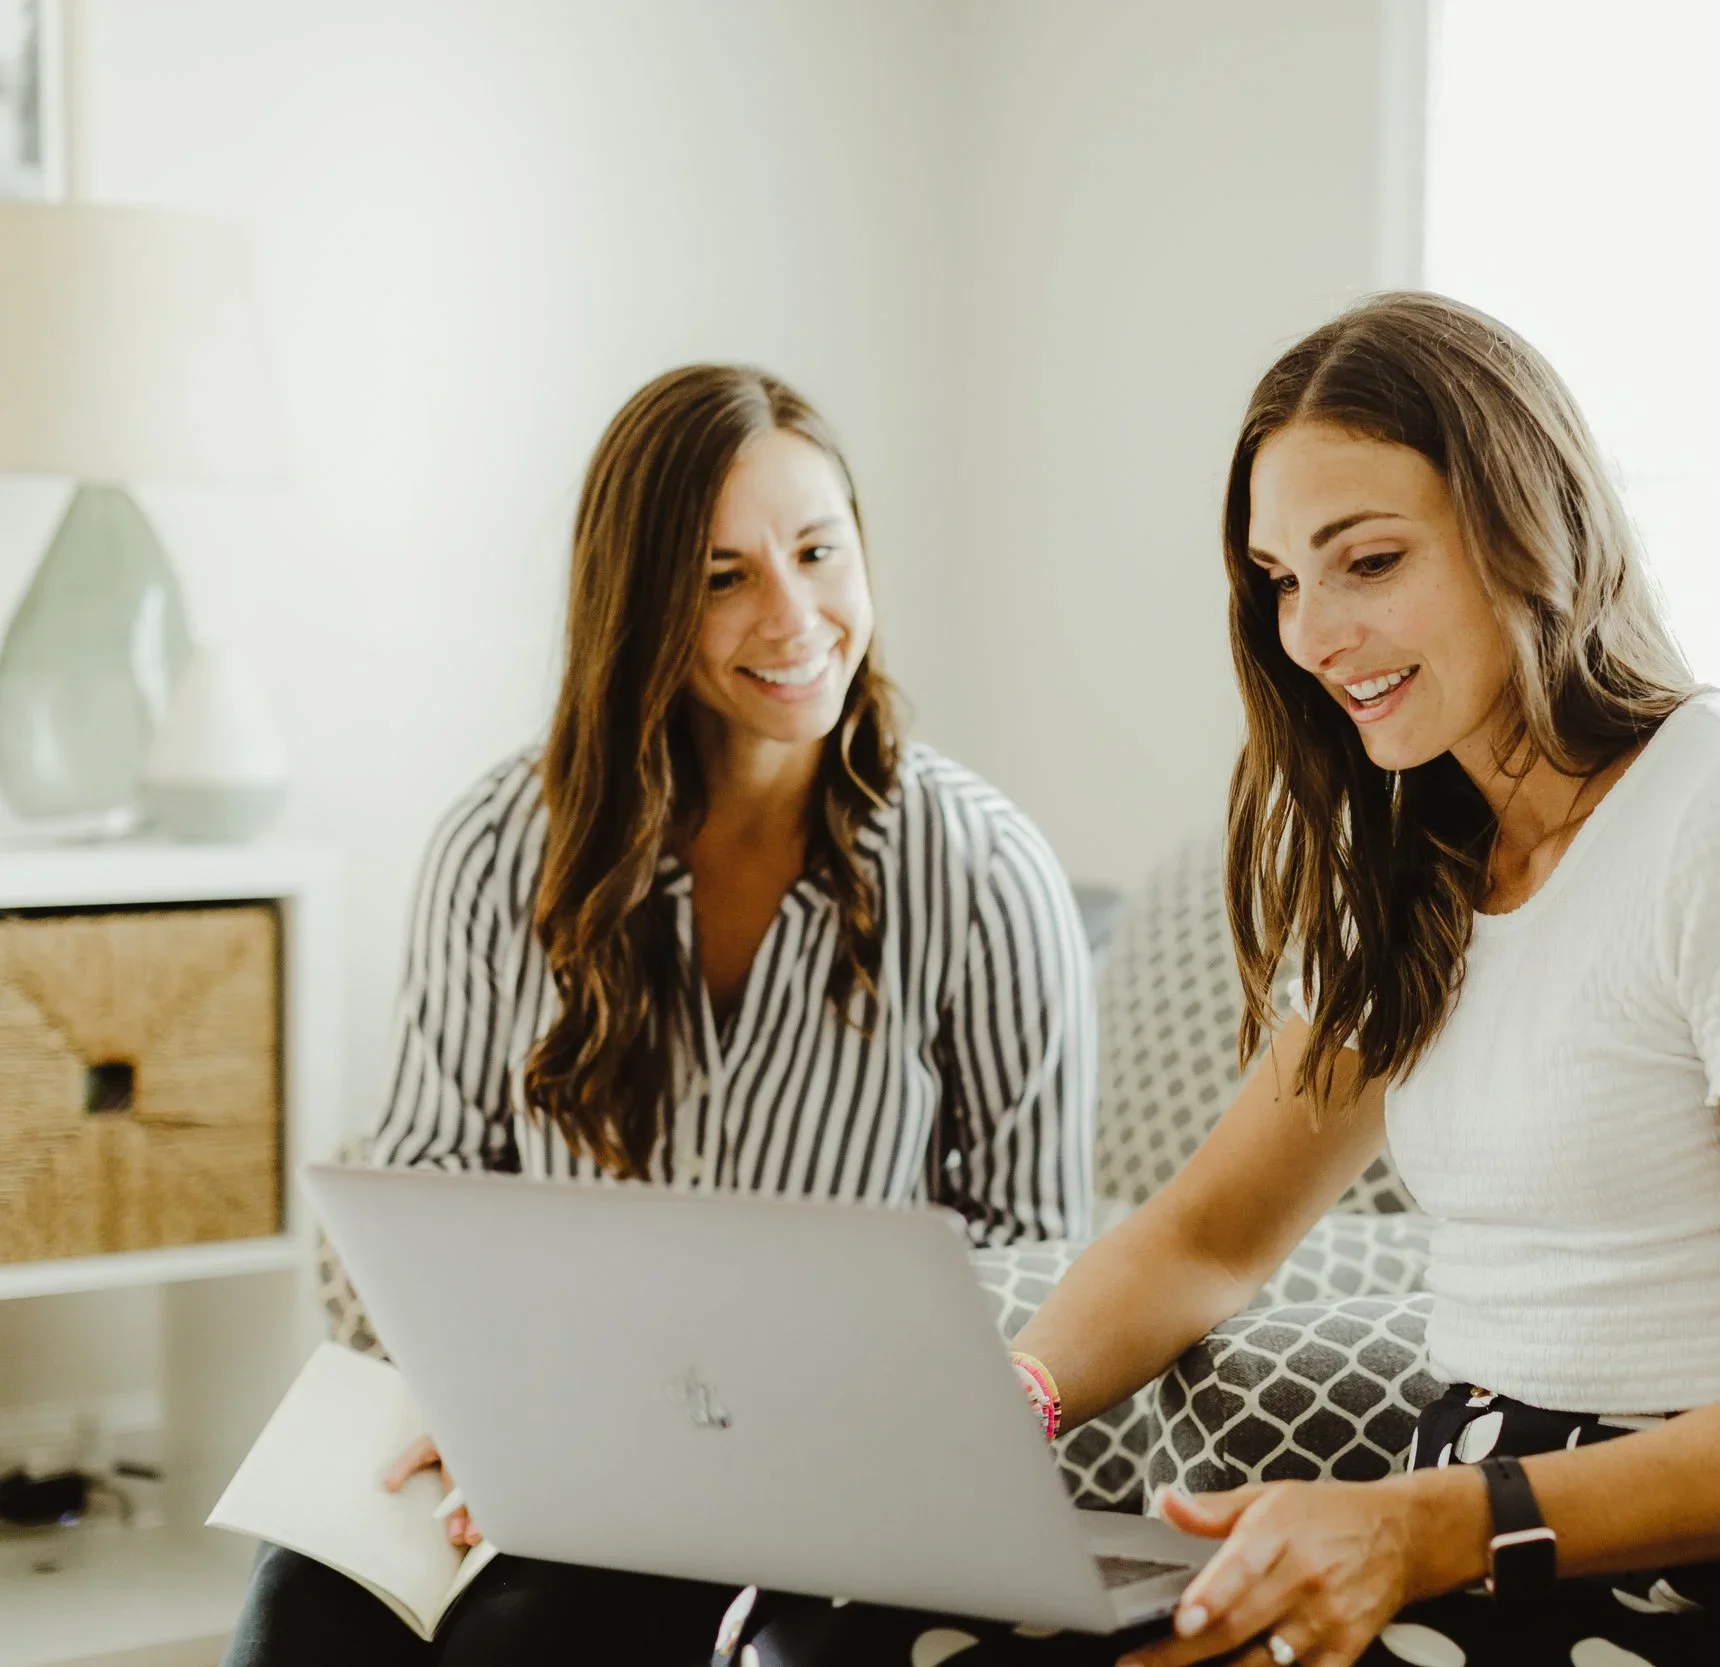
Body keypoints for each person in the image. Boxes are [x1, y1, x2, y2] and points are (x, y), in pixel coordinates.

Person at [741, 293, 1720, 1667]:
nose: (1312, 633)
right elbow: (1206, 1239)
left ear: (1536, 525)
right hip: (1475, 1541)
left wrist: (1430, 1525)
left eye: (1369, 561)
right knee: (818, 1627)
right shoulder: (1419, 863)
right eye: (1280, 579)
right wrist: (1001, 1409)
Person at [223, 364, 1097, 1667]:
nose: (794, 614)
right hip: (538, 1431)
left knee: (530, 1636)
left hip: (831, 1471)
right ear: (637, 603)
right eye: (722, 576)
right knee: (301, 1605)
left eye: (818, 551)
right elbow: (418, 1188)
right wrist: (482, 1402)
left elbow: (1040, 1261)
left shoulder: (981, 871)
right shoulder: (498, 847)